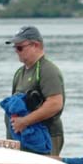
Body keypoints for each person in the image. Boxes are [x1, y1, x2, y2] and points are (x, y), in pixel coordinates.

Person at [5, 25, 65, 155]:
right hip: (22, 138)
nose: (16, 51)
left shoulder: (48, 70)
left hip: (45, 139)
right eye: (15, 47)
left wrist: (24, 122)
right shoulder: (19, 73)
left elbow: (55, 104)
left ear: (36, 45)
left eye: (20, 47)